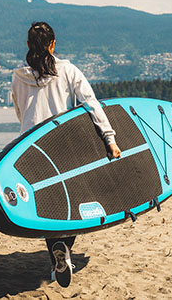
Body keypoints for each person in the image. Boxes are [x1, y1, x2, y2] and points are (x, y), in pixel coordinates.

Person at [11, 21, 121, 287]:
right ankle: (63, 248)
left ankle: (57, 256)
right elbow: (91, 104)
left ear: (28, 46)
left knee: (47, 206)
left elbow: (19, 111)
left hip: (29, 147)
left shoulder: (18, 76)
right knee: (73, 203)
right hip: (62, 145)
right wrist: (110, 138)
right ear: (53, 44)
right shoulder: (69, 70)